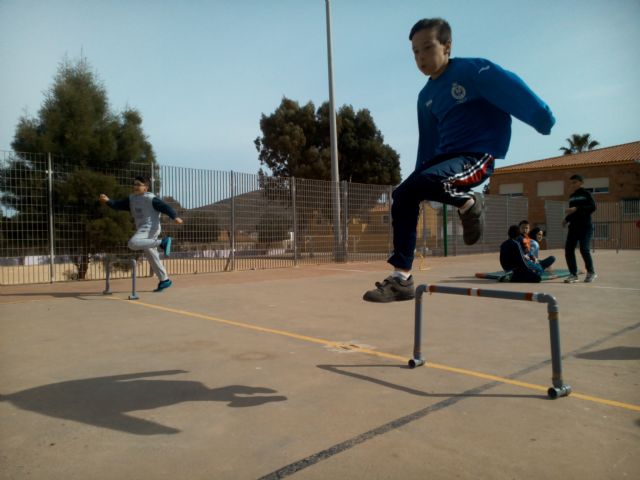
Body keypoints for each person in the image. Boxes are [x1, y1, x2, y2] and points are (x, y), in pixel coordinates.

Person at [363, 17, 555, 302]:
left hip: (477, 156)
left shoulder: (474, 70)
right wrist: (420, 183)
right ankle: (401, 278)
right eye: (415, 52)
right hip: (446, 160)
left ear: (447, 46)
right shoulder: (425, 96)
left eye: (427, 48)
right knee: (403, 194)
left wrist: (542, 118)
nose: (421, 57)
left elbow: (511, 88)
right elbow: (428, 142)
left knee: (427, 181)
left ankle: (470, 202)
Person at [99, 176, 183, 292]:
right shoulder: (132, 199)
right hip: (142, 229)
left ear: (146, 188)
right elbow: (118, 204)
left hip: (151, 228)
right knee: (151, 254)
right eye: (134, 184)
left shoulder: (150, 198)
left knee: (132, 243)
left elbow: (165, 207)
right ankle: (164, 280)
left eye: (139, 184)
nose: (136, 187)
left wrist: (175, 216)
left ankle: (162, 242)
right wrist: (108, 201)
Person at [563, 174, 597, 283]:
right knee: (568, 250)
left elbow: (592, 207)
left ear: (581, 183)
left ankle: (591, 272)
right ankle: (573, 274)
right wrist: (566, 219)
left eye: (575, 182)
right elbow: (573, 213)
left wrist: (576, 208)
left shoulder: (586, 194)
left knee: (584, 249)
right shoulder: (572, 196)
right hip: (573, 227)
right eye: (571, 183)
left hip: (585, 227)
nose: (572, 185)